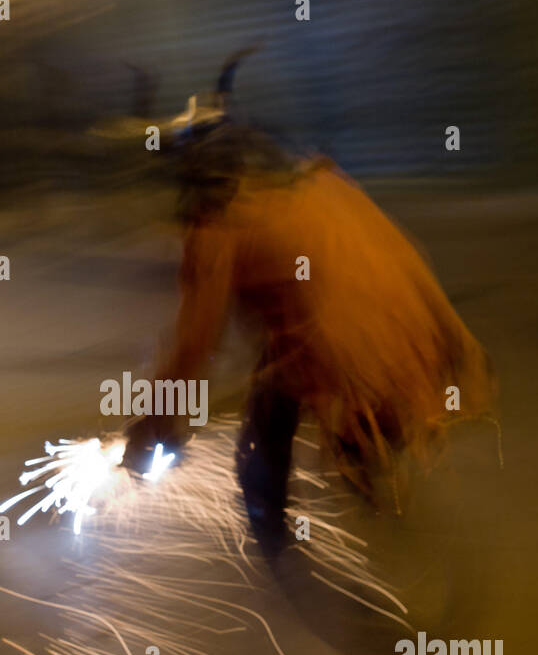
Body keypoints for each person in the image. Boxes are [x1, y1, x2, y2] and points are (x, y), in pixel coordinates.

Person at [124, 51, 497, 558]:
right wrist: (458, 342)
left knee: (261, 442)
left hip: (350, 372)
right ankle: (378, 497)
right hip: (421, 353)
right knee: (281, 370)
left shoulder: (216, 227)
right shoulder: (324, 182)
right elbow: (404, 257)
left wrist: (149, 433)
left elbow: (194, 348)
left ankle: (284, 554)